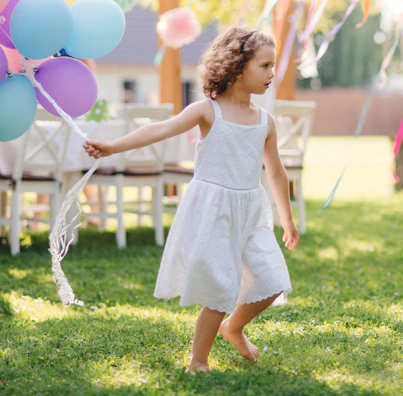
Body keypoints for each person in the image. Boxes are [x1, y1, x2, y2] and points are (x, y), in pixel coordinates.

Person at [84, 26, 298, 373]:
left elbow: (276, 172)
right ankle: (198, 361)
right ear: (237, 67)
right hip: (214, 212)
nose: (272, 73)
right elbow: (158, 129)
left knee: (273, 281)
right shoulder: (207, 111)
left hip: (250, 212)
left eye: (272, 66)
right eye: (264, 66)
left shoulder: (265, 122)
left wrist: (286, 218)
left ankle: (233, 327)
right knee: (219, 288)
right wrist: (112, 146)